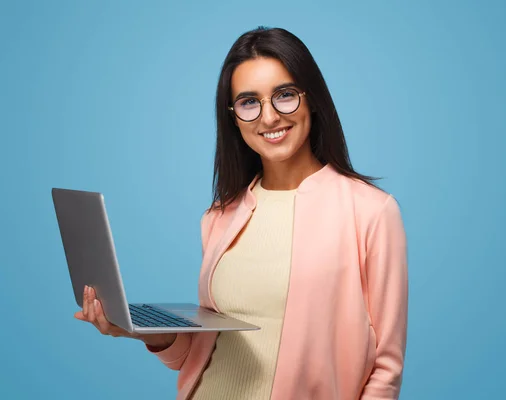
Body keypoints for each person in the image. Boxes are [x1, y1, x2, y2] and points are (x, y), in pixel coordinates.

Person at [75, 26, 408, 400]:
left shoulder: (371, 212)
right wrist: (140, 329)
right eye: (249, 102)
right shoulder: (220, 217)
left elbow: (386, 368)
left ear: (311, 99)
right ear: (234, 117)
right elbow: (201, 353)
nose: (268, 118)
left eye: (284, 96)